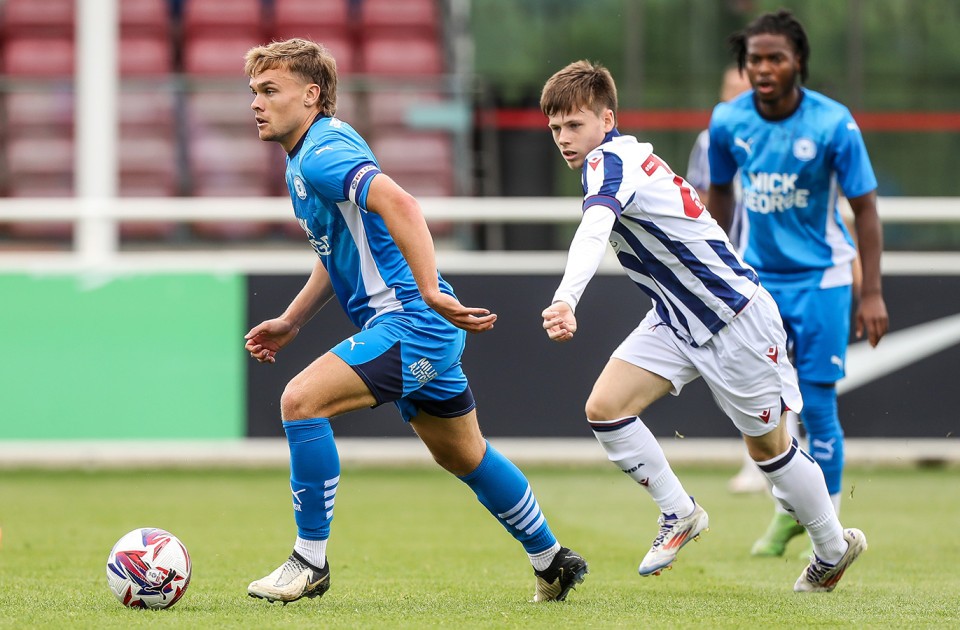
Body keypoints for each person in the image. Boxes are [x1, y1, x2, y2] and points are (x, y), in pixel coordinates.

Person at [241, 38, 587, 605]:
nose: (256, 103)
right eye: (253, 92)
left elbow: (403, 206)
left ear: (311, 95)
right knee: (463, 454)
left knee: (300, 402)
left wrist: (429, 290)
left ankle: (309, 562)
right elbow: (338, 252)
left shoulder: (323, 151)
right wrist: (292, 320)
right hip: (415, 325)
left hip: (411, 323)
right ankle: (553, 561)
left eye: (269, 90)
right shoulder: (305, 159)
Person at [538, 59, 866, 592]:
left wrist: (566, 298)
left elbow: (594, 228)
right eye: (555, 128)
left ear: (606, 118)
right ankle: (680, 512)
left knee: (770, 452)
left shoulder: (610, 162)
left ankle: (832, 548)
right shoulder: (622, 160)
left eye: (574, 124)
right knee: (605, 408)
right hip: (677, 318)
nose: (564, 138)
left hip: (733, 319)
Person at [707, 10, 889, 558]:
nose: (763, 68)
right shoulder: (727, 121)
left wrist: (873, 291)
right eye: (755, 59)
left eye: (775, 58)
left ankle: (826, 531)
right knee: (766, 404)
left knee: (818, 402)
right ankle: (792, 510)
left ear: (798, 63)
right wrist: (714, 270)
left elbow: (867, 211)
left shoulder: (834, 124)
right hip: (756, 278)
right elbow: (719, 197)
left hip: (824, 279)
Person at [686, 64, 771, 495]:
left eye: (746, 90)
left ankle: (789, 458)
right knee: (748, 366)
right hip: (734, 270)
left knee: (783, 366)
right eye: (730, 90)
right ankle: (756, 460)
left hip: (780, 266)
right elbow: (699, 198)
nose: (737, 98)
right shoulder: (710, 138)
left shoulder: (780, 132)